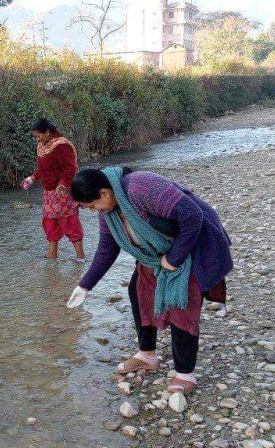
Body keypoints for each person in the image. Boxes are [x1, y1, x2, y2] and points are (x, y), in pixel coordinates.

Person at [66, 166, 232, 393]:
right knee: (138, 291)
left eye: (91, 205)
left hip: (193, 243)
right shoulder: (109, 211)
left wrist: (174, 259)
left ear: (104, 193)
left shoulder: (141, 187)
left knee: (180, 304)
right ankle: (147, 356)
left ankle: (185, 375)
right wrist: (85, 285)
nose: (93, 211)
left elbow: (193, 216)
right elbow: (107, 248)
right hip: (156, 253)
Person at [21, 118, 85, 262]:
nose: (38, 139)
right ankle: (52, 254)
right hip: (49, 193)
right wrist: (31, 178)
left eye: (39, 136)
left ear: (48, 132)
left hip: (63, 191)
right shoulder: (43, 146)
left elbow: (70, 168)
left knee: (69, 221)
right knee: (50, 222)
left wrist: (62, 184)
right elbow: (43, 169)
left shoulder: (62, 146)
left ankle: (80, 256)